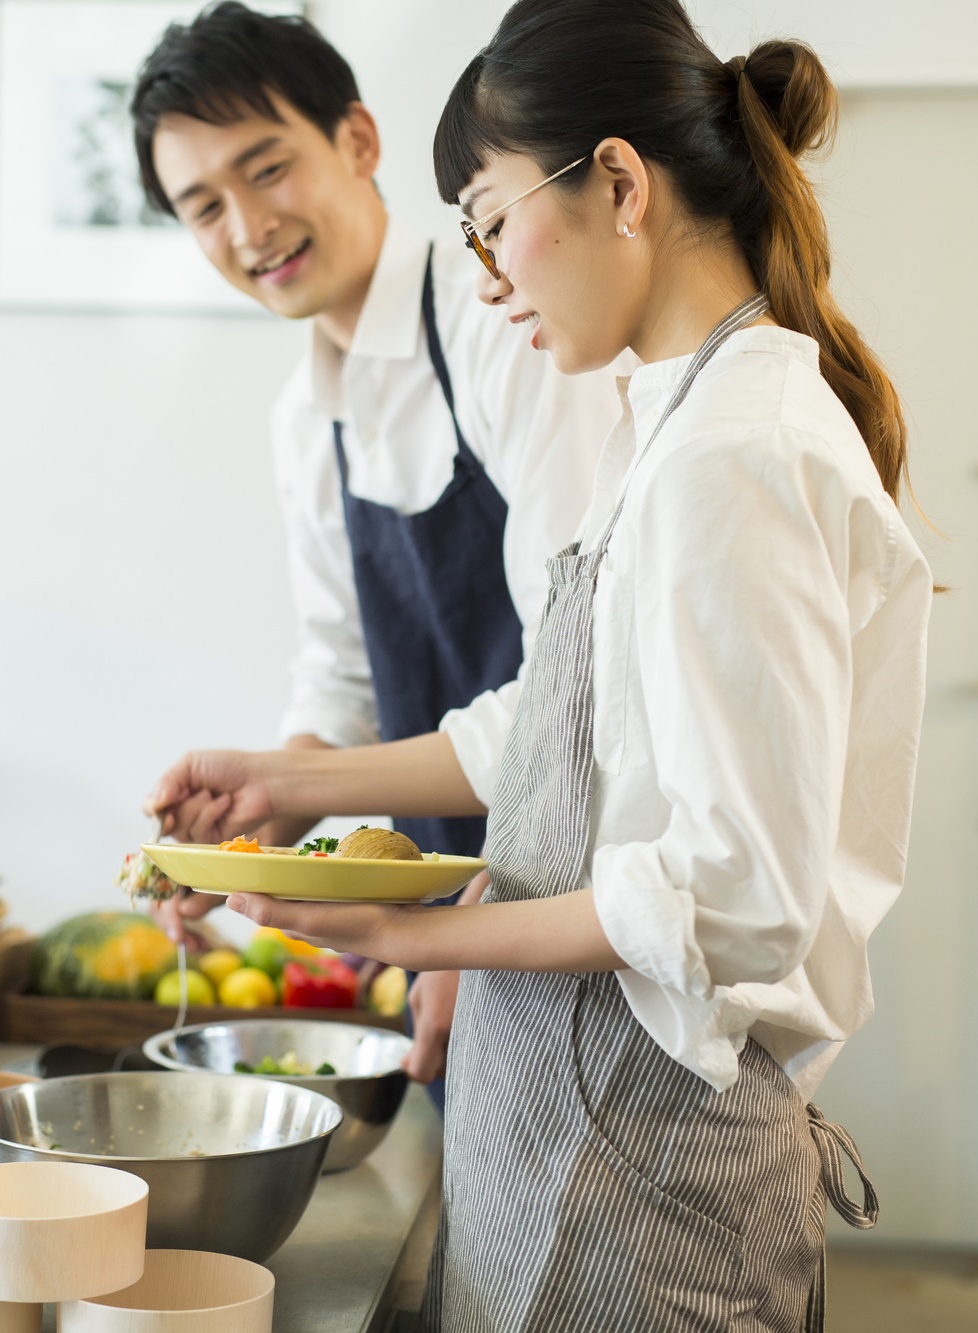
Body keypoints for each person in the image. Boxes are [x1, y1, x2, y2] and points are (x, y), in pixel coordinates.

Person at [147, 0, 933, 1326]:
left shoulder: (730, 450)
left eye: (494, 213)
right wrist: (286, 790)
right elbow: (553, 726)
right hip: (580, 1107)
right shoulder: (676, 418)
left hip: (649, 1140)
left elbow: (735, 896)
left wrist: (419, 930)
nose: (492, 269)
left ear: (621, 183)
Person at [130, 2, 621, 1099]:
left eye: (265, 170)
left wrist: (478, 915)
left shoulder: (504, 320)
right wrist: (249, 826)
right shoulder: (305, 418)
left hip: (573, 904)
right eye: (201, 205)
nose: (246, 227)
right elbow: (343, 679)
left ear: (357, 141)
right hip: (446, 918)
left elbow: (583, 683)